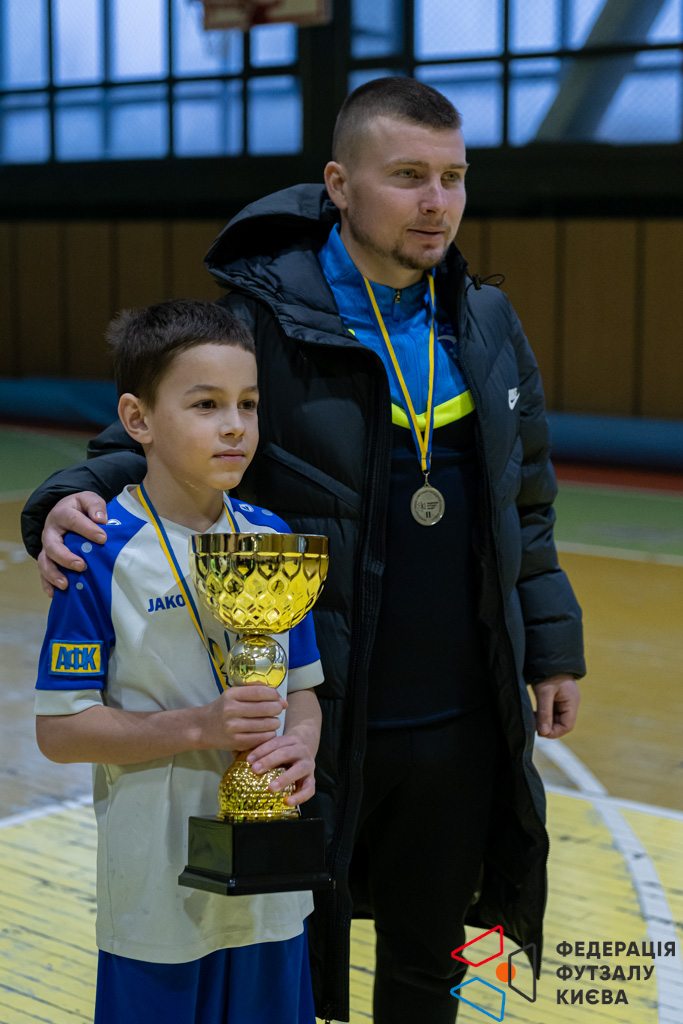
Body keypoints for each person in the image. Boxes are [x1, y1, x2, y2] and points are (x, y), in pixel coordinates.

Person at [23, 79, 585, 1024]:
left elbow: (524, 503)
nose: (436, 202)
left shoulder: (485, 321)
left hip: (460, 715)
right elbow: (156, 431)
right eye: (407, 176)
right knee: (291, 956)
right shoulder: (267, 318)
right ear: (338, 183)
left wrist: (551, 648)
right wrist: (59, 500)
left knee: (435, 954)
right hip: (322, 710)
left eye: (452, 177)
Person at [33, 299, 324, 1024]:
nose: (234, 426)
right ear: (137, 419)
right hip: (156, 891)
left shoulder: (273, 539)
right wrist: (200, 727)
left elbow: (304, 692)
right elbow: (60, 732)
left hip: (269, 883)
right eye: (205, 404)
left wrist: (300, 747)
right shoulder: (96, 551)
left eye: (248, 404)